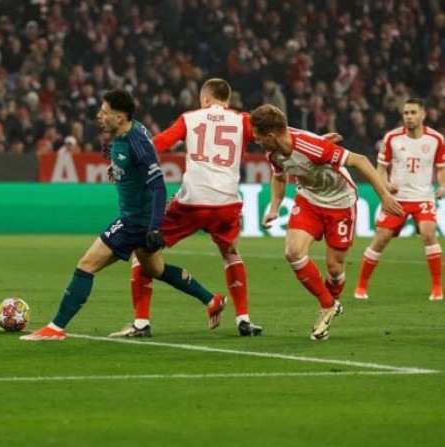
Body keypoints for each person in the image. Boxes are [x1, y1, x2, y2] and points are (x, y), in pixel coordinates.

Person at [21, 89, 227, 341]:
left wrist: (153, 227)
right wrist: (118, 165)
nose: (99, 115)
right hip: (140, 219)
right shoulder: (129, 131)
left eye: (104, 112)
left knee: (86, 265)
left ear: (119, 118)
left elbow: (159, 186)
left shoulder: (136, 143)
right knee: (156, 269)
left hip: (134, 221)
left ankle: (56, 327)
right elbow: (132, 163)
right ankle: (211, 299)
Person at [109, 78, 263, 338]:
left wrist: (122, 162)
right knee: (230, 253)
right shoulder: (244, 121)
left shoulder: (190, 118)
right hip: (227, 203)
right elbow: (275, 133)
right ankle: (244, 320)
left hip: (191, 202)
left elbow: (156, 144)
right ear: (227, 99)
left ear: (204, 99)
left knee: (143, 250)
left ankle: (141, 323)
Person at [250, 104, 403, 340]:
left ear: (270, 135)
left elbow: (361, 160)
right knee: (293, 252)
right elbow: (279, 176)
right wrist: (274, 208)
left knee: (335, 268)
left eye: (259, 137)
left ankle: (329, 308)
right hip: (310, 200)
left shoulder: (312, 147)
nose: (257, 141)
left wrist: (384, 196)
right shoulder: (275, 152)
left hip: (340, 203)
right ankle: (328, 304)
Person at [354, 98, 445, 301]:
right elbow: (381, 170)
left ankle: (437, 288)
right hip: (397, 199)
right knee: (381, 238)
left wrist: (443, 186)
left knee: (429, 233)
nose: (409, 117)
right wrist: (385, 184)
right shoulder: (392, 138)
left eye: (413, 113)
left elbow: (441, 169)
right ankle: (360, 287)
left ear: (423, 114)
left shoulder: (436, 139)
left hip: (423, 197)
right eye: (406, 113)